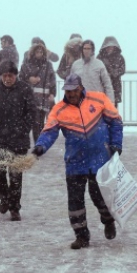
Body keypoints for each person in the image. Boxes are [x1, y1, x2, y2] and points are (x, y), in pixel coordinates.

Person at [32, 73, 123, 249]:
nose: (71, 94)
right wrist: (40, 146)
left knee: (100, 196)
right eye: (68, 91)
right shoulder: (58, 109)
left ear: (81, 87)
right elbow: (49, 131)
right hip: (75, 161)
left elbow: (116, 122)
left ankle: (108, 219)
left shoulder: (99, 99)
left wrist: (116, 144)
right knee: (75, 201)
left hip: (100, 159)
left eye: (74, 90)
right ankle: (81, 236)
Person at [0, 60, 35, 221]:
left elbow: (31, 112)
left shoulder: (25, 89)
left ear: (15, 75)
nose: (7, 79)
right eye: (4, 76)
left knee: (16, 174)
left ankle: (14, 207)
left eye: (10, 76)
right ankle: (4, 196)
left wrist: (23, 129)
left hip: (18, 139)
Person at [20, 43, 56, 142]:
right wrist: (29, 79)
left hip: (44, 98)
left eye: (41, 52)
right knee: (35, 122)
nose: (39, 54)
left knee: (40, 122)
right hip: (31, 98)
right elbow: (20, 79)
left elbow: (52, 80)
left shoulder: (48, 65)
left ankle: (39, 141)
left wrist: (52, 93)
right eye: (37, 52)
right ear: (33, 52)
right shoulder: (26, 65)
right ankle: (38, 143)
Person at [97, 36, 126, 107]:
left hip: (115, 85)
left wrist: (115, 72)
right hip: (103, 85)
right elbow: (96, 69)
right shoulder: (100, 57)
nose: (109, 49)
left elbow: (122, 69)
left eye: (111, 47)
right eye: (108, 47)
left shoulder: (119, 57)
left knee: (113, 107)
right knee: (102, 106)